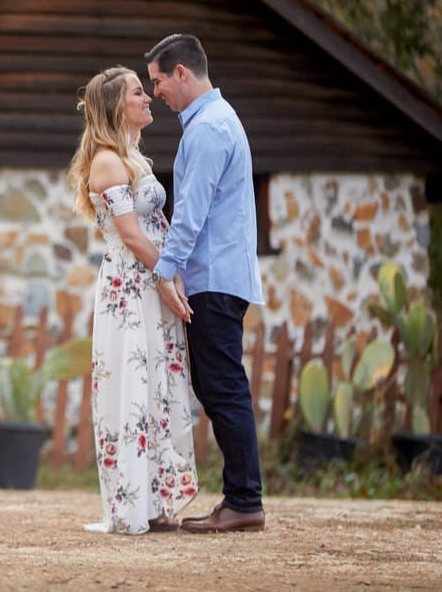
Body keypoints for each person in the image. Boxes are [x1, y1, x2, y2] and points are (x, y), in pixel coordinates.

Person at [67, 66, 198, 536]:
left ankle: (157, 501)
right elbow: (131, 234)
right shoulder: (106, 161)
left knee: (158, 387)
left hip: (150, 284)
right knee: (134, 386)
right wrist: (168, 277)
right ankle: (131, 504)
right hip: (131, 286)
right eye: (139, 93)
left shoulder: (134, 158)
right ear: (116, 106)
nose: (149, 98)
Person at [144, 34, 266, 533]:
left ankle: (244, 501)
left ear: (181, 73)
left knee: (223, 388)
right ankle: (241, 498)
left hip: (214, 278)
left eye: (157, 81)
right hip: (218, 276)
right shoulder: (211, 122)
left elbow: (191, 212)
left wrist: (164, 269)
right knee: (217, 386)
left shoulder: (209, 128)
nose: (155, 93)